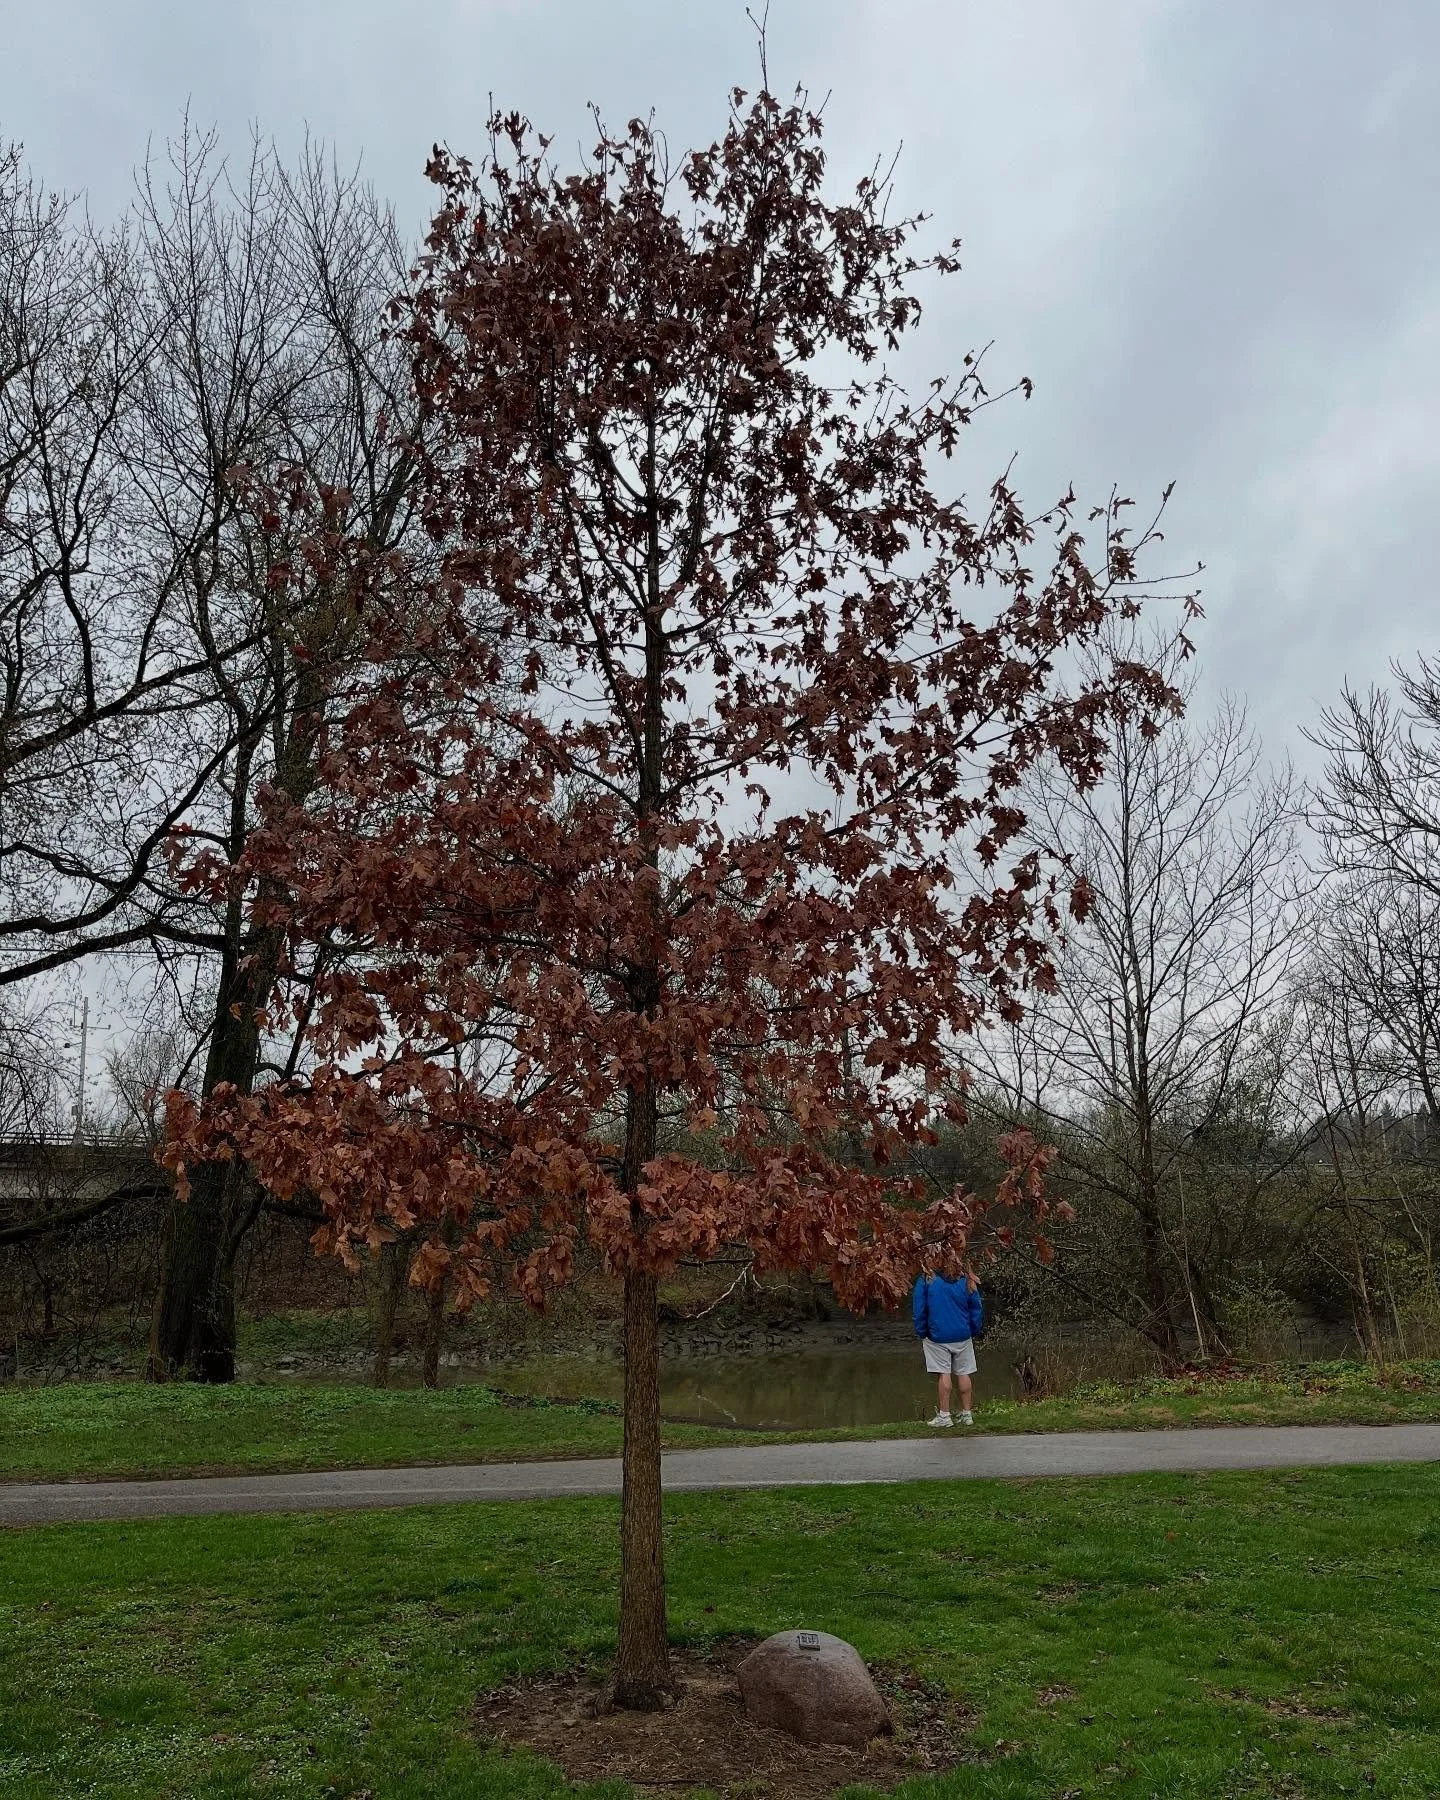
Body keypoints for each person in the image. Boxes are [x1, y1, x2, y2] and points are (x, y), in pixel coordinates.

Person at [912, 1266, 983, 1428]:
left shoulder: (927, 1279)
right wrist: (973, 1329)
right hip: (962, 1333)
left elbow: (919, 1308)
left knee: (944, 1373)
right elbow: (976, 1307)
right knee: (964, 1373)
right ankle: (967, 1414)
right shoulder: (966, 1278)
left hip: (937, 1335)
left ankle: (945, 1416)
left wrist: (922, 1331)